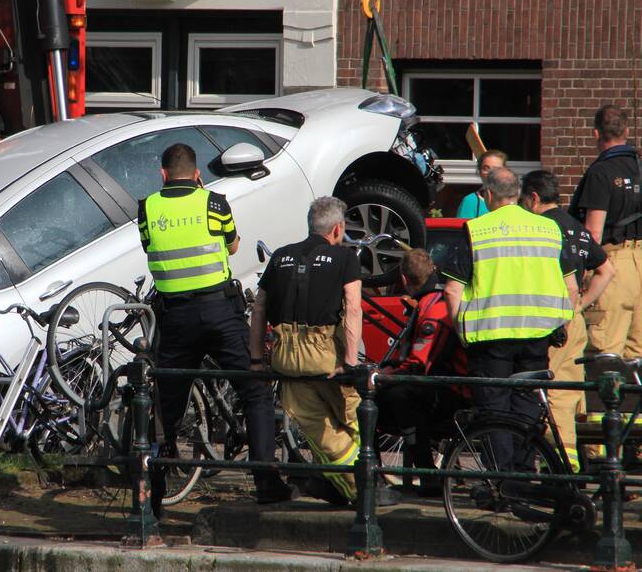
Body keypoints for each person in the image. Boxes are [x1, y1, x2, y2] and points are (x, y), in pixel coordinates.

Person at [138, 143, 293, 513]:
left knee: (165, 406)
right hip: (220, 312)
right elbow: (234, 246)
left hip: (174, 319)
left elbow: (149, 247)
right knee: (254, 390)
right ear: (196, 174)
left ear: (162, 175)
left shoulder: (147, 207)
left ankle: (150, 498)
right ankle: (266, 483)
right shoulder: (214, 202)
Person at [250, 196, 397, 506]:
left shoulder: (280, 256)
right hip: (325, 355)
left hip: (286, 359)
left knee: (322, 432)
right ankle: (368, 489)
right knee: (356, 420)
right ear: (338, 228)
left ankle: (340, 485)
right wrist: (349, 363)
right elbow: (353, 308)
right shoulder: (344, 259)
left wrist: (255, 360)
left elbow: (259, 307)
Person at [442, 167, 578, 469]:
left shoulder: (477, 229)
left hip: (491, 339)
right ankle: (525, 474)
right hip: (538, 338)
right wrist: (561, 327)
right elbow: (571, 287)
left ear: (488, 195)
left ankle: (501, 483)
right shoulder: (549, 229)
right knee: (527, 407)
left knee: (494, 411)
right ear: (517, 194)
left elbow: (452, 290)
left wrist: (462, 330)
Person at [521, 169, 614, 471]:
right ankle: (576, 461)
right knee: (570, 394)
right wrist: (581, 305)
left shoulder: (539, 228)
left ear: (533, 198)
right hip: (573, 320)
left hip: (549, 321)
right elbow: (606, 270)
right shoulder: (577, 227)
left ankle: (560, 467)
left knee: (548, 393)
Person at [378, 249, 468, 495]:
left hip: (455, 391)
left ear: (405, 280)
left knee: (396, 397)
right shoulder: (434, 301)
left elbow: (419, 364)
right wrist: (392, 367)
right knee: (397, 394)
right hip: (449, 385)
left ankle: (427, 475)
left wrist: (383, 377)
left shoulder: (434, 309)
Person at [569, 104, 642, 360]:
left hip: (613, 262)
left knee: (605, 351)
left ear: (596, 134)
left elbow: (593, 232)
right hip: (640, 262)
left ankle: (608, 402)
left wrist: (583, 273)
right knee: (637, 354)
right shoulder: (638, 167)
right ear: (627, 131)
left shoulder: (601, 172)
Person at [456, 149, 508, 219]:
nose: (490, 173)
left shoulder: (512, 201)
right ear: (480, 172)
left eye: (496, 169)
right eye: (486, 168)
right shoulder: (470, 201)